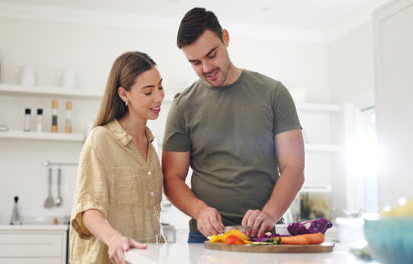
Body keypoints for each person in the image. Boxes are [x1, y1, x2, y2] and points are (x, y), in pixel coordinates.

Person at [162, 7, 305, 243]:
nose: (206, 68)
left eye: (212, 55)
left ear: (226, 38)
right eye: (195, 62)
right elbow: (172, 178)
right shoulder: (183, 106)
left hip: (264, 235)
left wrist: (269, 214)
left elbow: (294, 168)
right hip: (205, 238)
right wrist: (199, 211)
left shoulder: (273, 94)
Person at [70, 51, 165, 264]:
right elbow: (88, 209)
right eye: (148, 92)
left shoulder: (151, 144)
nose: (159, 97)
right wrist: (114, 239)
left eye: (160, 87)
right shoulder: (101, 139)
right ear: (124, 95)